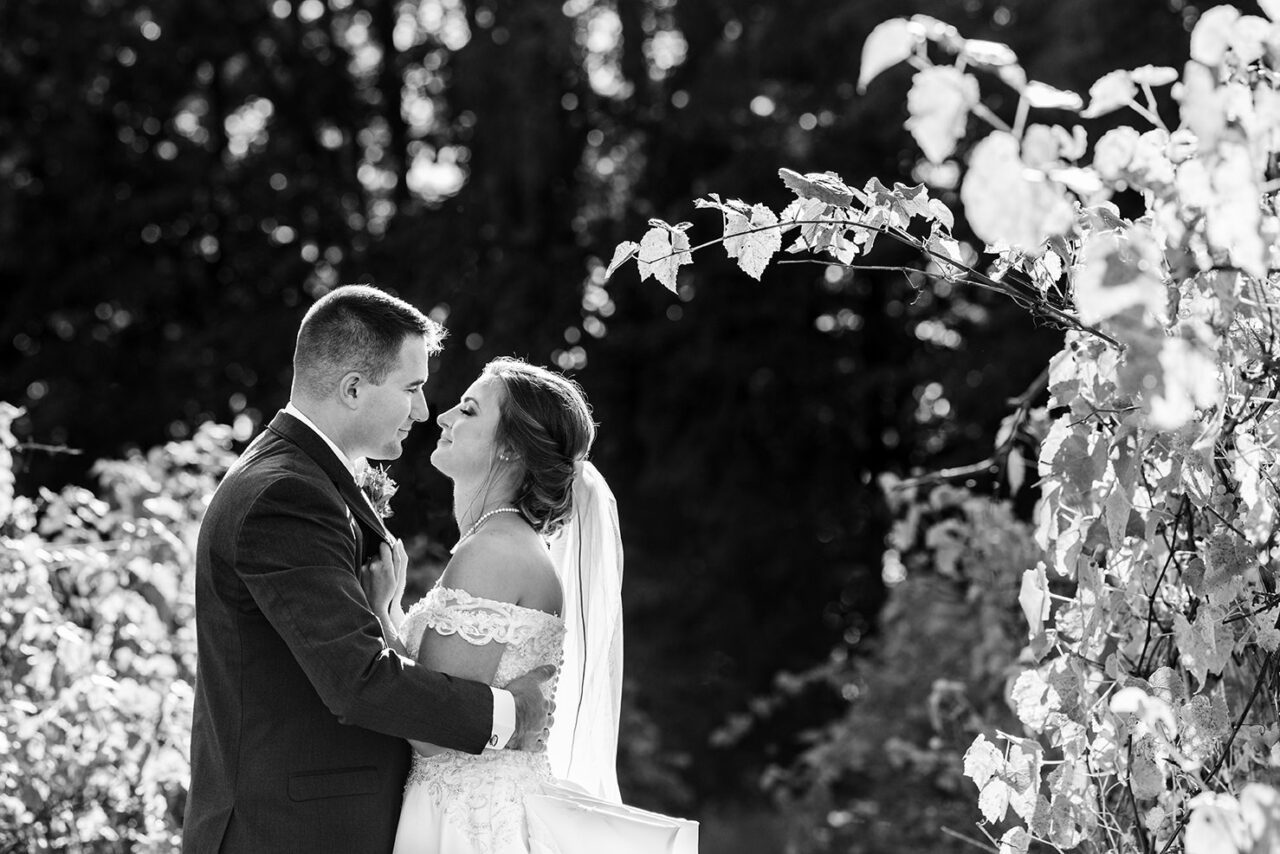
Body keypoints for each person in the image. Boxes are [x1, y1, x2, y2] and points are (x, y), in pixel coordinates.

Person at [183, 286, 554, 853]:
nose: (426, 411)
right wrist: (512, 713)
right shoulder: (285, 495)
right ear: (353, 388)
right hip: (287, 833)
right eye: (412, 388)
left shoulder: (306, 479)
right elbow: (357, 682)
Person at [366, 357, 696, 853]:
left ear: (510, 448)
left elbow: (434, 730)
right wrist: (391, 610)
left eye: (470, 411)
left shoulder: (493, 552)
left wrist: (375, 616)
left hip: (466, 824)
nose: (443, 417)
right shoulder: (499, 544)